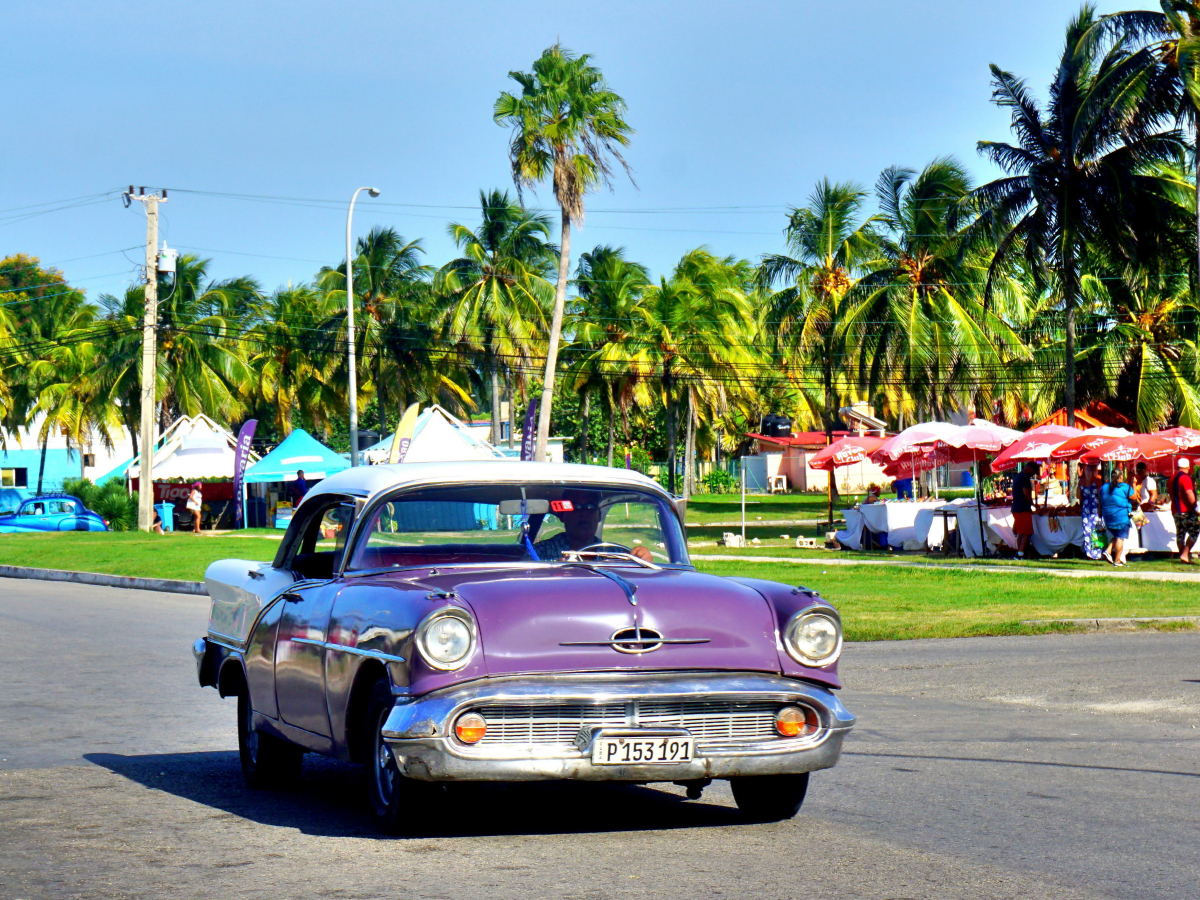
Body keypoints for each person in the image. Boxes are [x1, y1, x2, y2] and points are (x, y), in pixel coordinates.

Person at [531, 490, 653, 562]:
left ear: (598, 515)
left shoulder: (617, 554)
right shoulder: (540, 553)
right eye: (576, 507)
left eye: (590, 507)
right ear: (563, 515)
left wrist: (643, 559)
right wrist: (551, 574)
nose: (584, 513)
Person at [1099, 466, 1136, 566]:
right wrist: (1134, 484)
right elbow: (1134, 497)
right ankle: (1117, 560)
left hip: (1107, 516)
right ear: (1120, 477)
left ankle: (1108, 551)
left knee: (1116, 535)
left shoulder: (1104, 487)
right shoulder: (1125, 487)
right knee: (1120, 537)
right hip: (1121, 516)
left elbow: (1100, 501)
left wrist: (1100, 514)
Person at [1169, 457, 1199, 563]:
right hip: (1185, 509)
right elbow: (1188, 492)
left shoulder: (1171, 478)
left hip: (1175, 510)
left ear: (1177, 467)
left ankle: (1182, 555)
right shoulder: (1185, 478)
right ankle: (1185, 554)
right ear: (1188, 467)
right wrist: (1196, 506)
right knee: (1195, 530)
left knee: (1180, 533)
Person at [1011, 461, 1039, 558]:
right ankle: (1020, 554)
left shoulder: (1018, 476)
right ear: (1030, 468)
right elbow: (1026, 493)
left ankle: (1019, 552)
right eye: (1034, 472)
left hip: (1016, 508)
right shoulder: (1024, 478)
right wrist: (1033, 504)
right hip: (1022, 508)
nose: (1033, 474)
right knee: (1027, 532)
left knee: (1021, 532)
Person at [1078, 462, 1103, 561]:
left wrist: (1100, 510)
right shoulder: (1082, 482)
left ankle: (1097, 553)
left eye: (1089, 470)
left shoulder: (1097, 481)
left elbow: (1100, 497)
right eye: (1086, 469)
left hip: (1095, 509)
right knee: (1087, 531)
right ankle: (1089, 553)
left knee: (1095, 531)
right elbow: (1078, 496)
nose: (1088, 472)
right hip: (1087, 509)